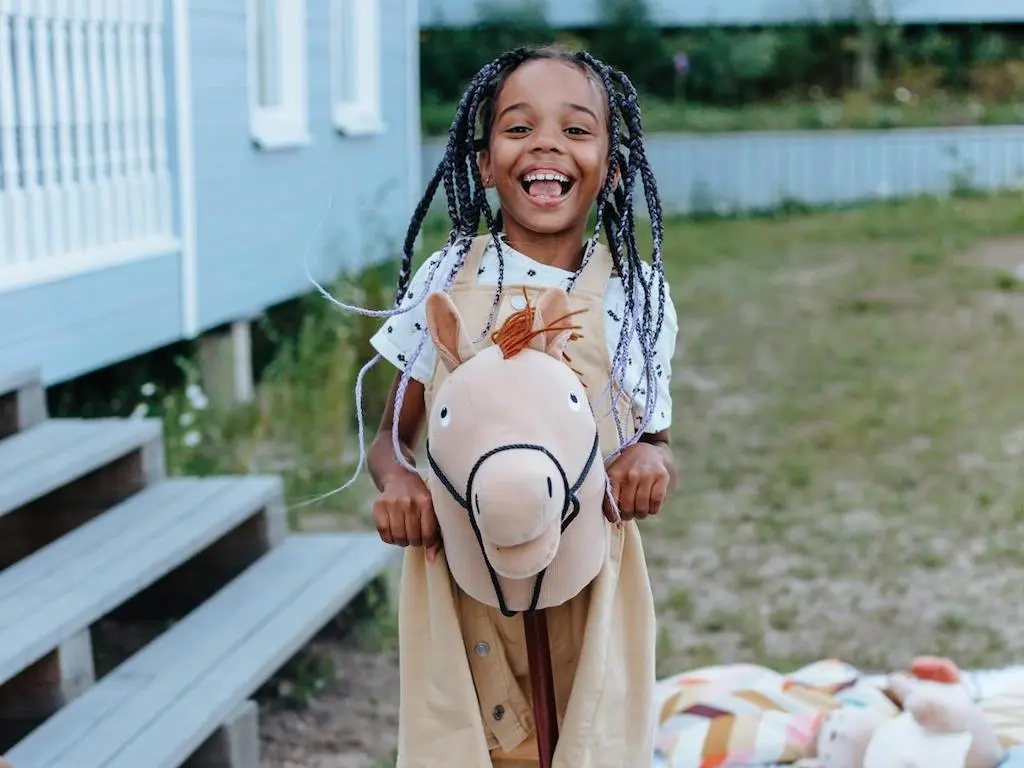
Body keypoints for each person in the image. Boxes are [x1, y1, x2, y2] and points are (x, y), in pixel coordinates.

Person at [331, 44, 679, 767]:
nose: (547, 143)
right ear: (486, 163)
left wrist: (650, 456)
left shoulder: (634, 296)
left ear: (611, 168)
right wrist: (399, 482)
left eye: (577, 130)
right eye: (519, 128)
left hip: (587, 577)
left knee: (590, 742)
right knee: (469, 743)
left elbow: (654, 439)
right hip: (462, 576)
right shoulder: (449, 279)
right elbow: (393, 436)